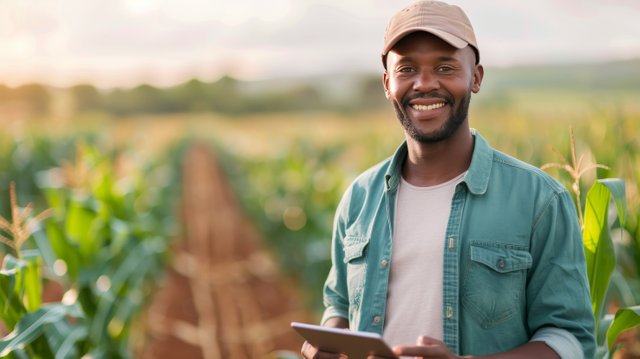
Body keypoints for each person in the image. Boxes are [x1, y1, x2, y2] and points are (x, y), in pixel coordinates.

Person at [300, 1, 596, 358]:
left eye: (445, 66)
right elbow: (340, 306)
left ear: (476, 77)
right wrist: (327, 342)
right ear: (387, 83)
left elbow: (569, 339)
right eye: (407, 68)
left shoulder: (539, 200)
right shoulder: (359, 197)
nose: (424, 84)